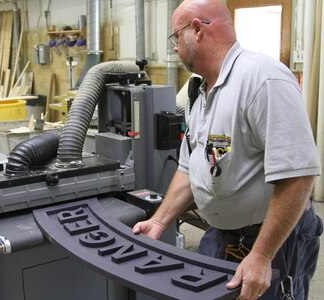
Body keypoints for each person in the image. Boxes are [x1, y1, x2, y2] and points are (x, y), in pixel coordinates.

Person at [132, 1, 323, 299]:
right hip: (222, 235)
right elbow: (190, 167)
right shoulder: (199, 91)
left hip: (274, 241)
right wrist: (158, 221)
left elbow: (299, 176)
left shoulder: (263, 80)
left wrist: (261, 255)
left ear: (196, 30)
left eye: (175, 37)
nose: (173, 48)